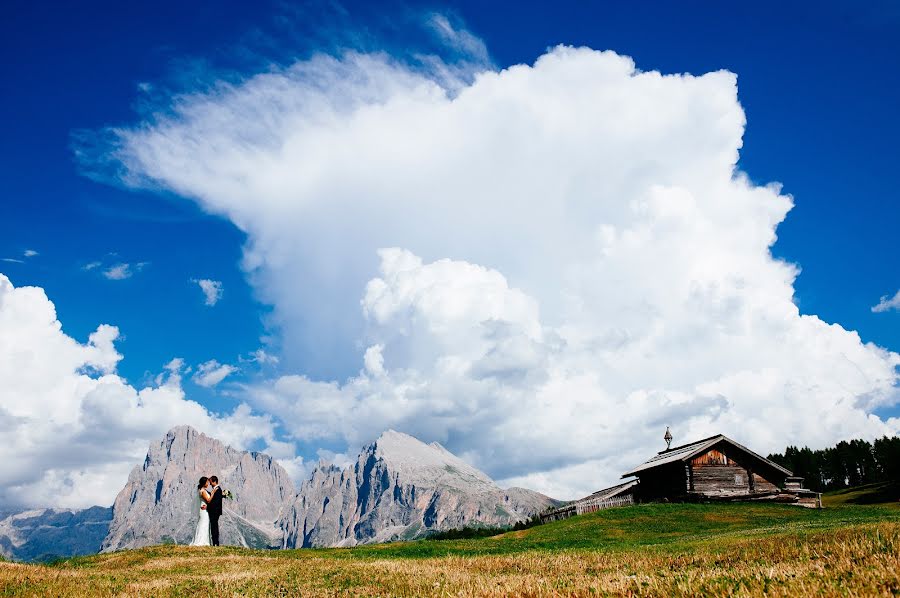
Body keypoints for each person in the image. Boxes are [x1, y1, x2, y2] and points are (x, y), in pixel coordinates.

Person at [189, 476, 212, 546]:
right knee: (203, 524)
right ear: (204, 483)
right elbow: (208, 500)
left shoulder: (202, 490)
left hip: (204, 509)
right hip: (204, 511)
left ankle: (203, 540)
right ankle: (201, 541)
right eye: (207, 482)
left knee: (203, 524)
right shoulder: (203, 491)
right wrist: (213, 492)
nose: (208, 484)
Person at [207, 475, 223, 546]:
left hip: (215, 512)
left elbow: (216, 502)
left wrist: (207, 506)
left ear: (214, 481)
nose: (210, 484)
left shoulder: (218, 490)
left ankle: (215, 543)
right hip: (214, 511)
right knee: (214, 527)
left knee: (214, 527)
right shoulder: (216, 489)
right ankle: (215, 542)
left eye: (210, 482)